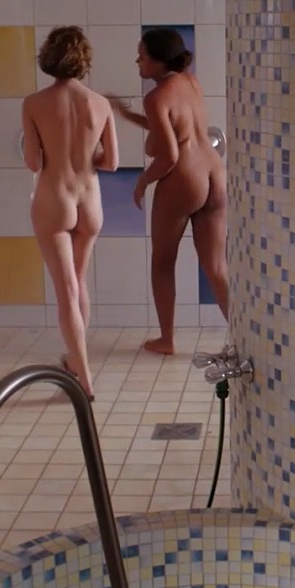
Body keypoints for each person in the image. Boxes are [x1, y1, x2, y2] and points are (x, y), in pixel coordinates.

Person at [107, 28, 230, 356]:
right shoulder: (191, 82)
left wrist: (142, 181)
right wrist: (127, 115)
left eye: (142, 57)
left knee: (162, 263)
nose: (138, 61)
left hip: (184, 178)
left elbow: (170, 156)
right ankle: (246, 337)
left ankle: (166, 340)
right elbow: (176, 124)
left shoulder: (155, 97)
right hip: (215, 173)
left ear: (159, 61)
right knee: (217, 266)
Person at [23, 26, 119, 399]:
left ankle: (83, 376)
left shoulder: (34, 103)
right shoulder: (100, 103)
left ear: (48, 57)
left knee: (66, 290)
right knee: (79, 282)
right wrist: (85, 155)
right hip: (90, 202)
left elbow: (33, 162)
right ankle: (76, 362)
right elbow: (111, 162)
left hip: (54, 200)